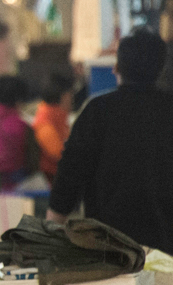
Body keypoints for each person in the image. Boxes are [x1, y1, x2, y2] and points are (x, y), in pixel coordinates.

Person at [47, 28, 173, 254]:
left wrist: (50, 233)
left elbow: (69, 175)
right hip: (167, 252)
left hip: (110, 254)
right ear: (161, 68)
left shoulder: (97, 112)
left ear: (117, 67)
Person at [32, 71, 74, 183]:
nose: (72, 100)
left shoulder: (58, 120)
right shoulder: (45, 124)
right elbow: (62, 155)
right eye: (70, 95)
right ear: (64, 96)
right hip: (51, 185)